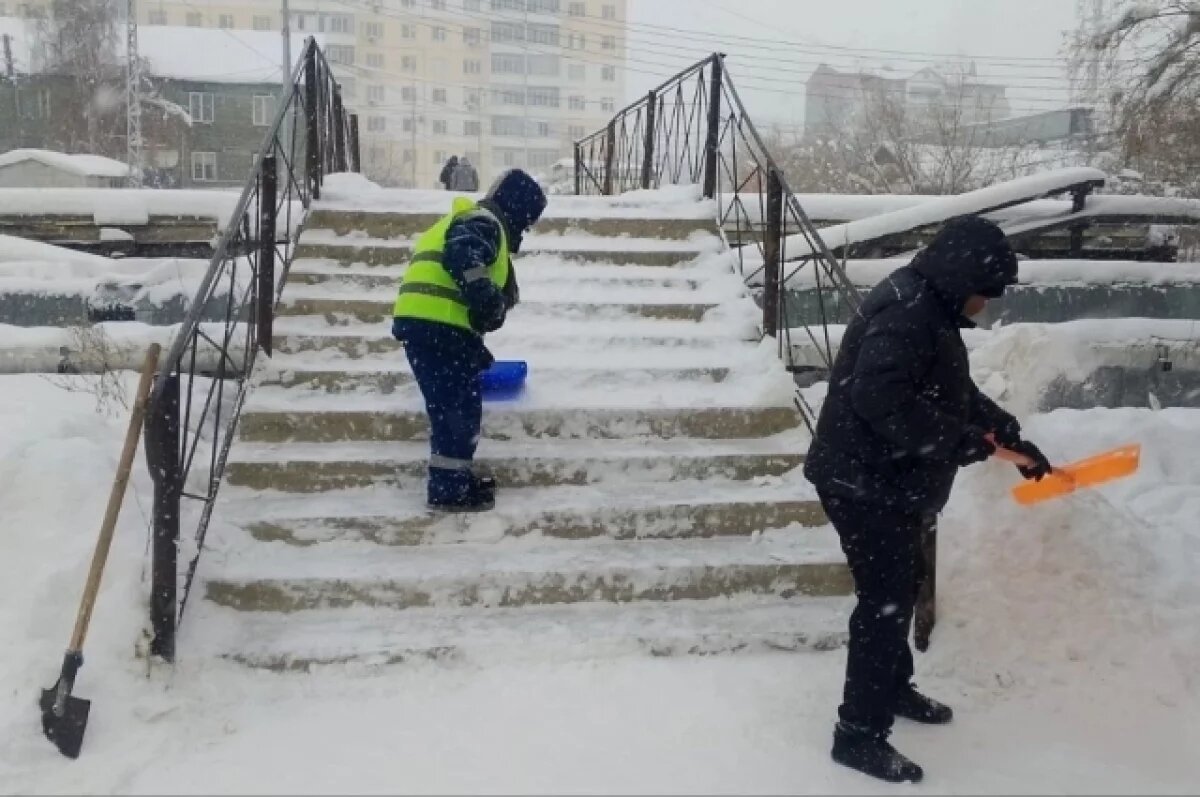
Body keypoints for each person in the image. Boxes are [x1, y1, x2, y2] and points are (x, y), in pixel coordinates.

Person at [803, 215, 1053, 784]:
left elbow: (947, 388)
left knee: (901, 585)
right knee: (883, 603)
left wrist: (1002, 429)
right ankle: (858, 736)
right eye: (982, 293)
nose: (984, 305)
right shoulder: (907, 312)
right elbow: (878, 398)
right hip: (860, 482)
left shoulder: (927, 307)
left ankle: (891, 688)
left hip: (882, 480)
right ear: (960, 276)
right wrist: (964, 442)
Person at [392, 169, 547, 511]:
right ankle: (448, 491)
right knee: (456, 413)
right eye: (528, 221)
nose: (526, 229)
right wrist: (486, 296)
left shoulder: (475, 219)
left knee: (454, 409)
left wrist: (474, 347)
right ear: (518, 210)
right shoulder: (484, 223)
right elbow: (462, 256)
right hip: (434, 325)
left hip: (432, 325)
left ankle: (454, 482)